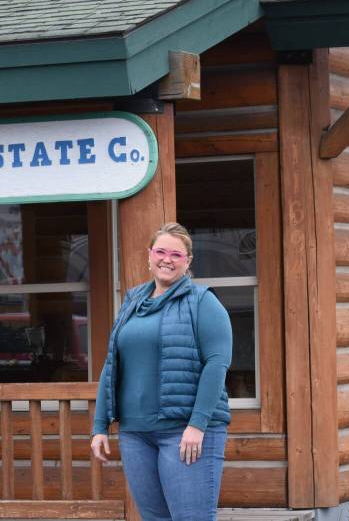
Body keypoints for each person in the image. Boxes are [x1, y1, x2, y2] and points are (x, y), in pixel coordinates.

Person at [90, 222, 232, 521]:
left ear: (188, 261)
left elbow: (217, 364)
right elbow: (112, 364)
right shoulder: (132, 302)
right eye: (161, 251)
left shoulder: (203, 302)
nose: (167, 259)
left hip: (184, 432)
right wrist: (100, 426)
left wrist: (198, 424)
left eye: (176, 254)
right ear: (149, 255)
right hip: (135, 434)